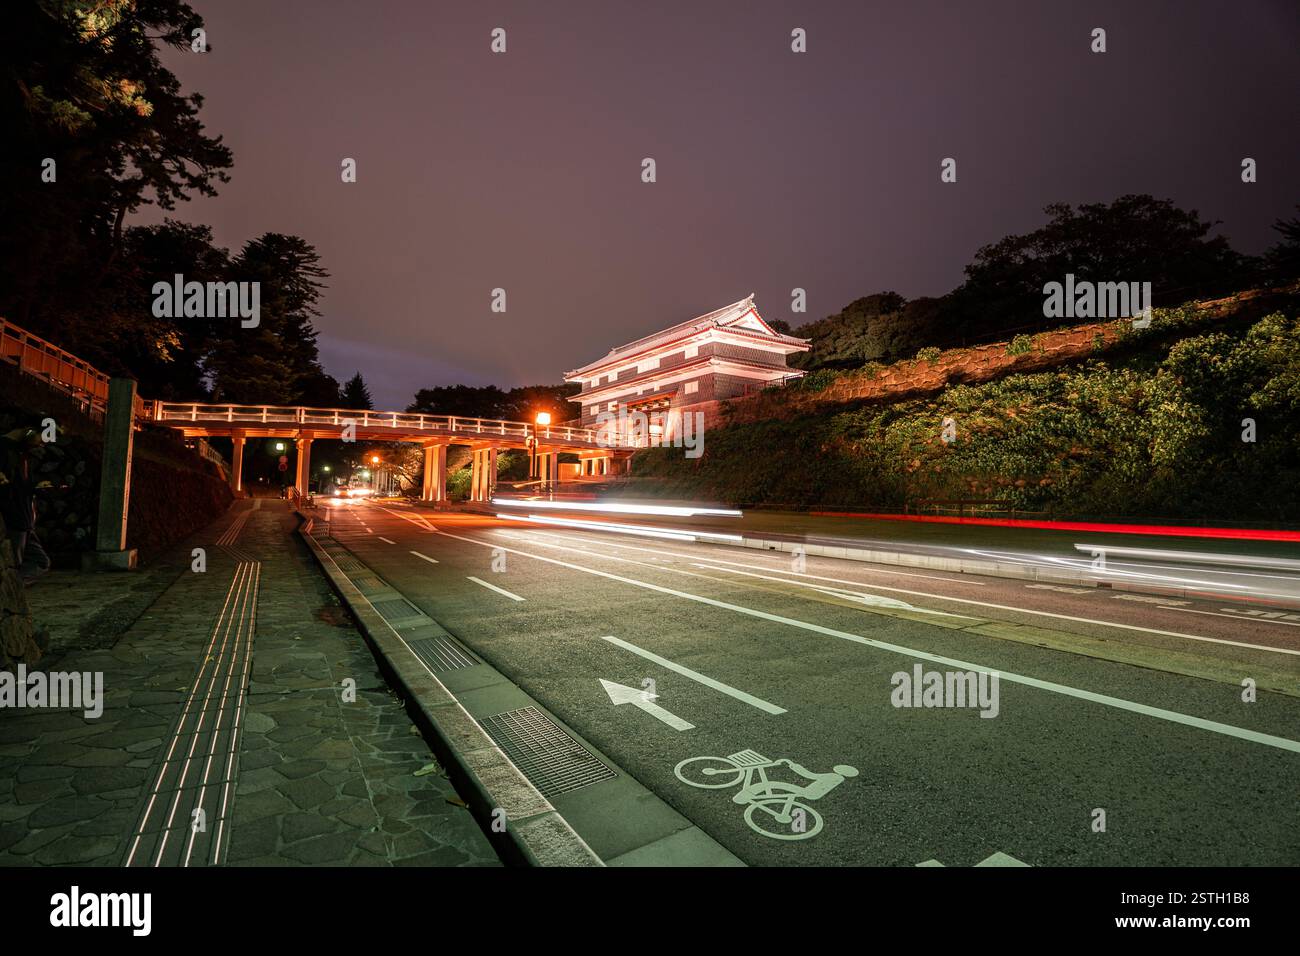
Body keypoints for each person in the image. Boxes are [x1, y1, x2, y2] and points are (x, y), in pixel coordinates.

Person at [0, 425, 52, 584]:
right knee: (12, 563)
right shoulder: (4, 451)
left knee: (40, 561)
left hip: (24, 519)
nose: (41, 444)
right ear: (30, 430)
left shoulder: (21, 453)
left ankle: (12, 588)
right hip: (13, 518)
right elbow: (10, 486)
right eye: (40, 439)